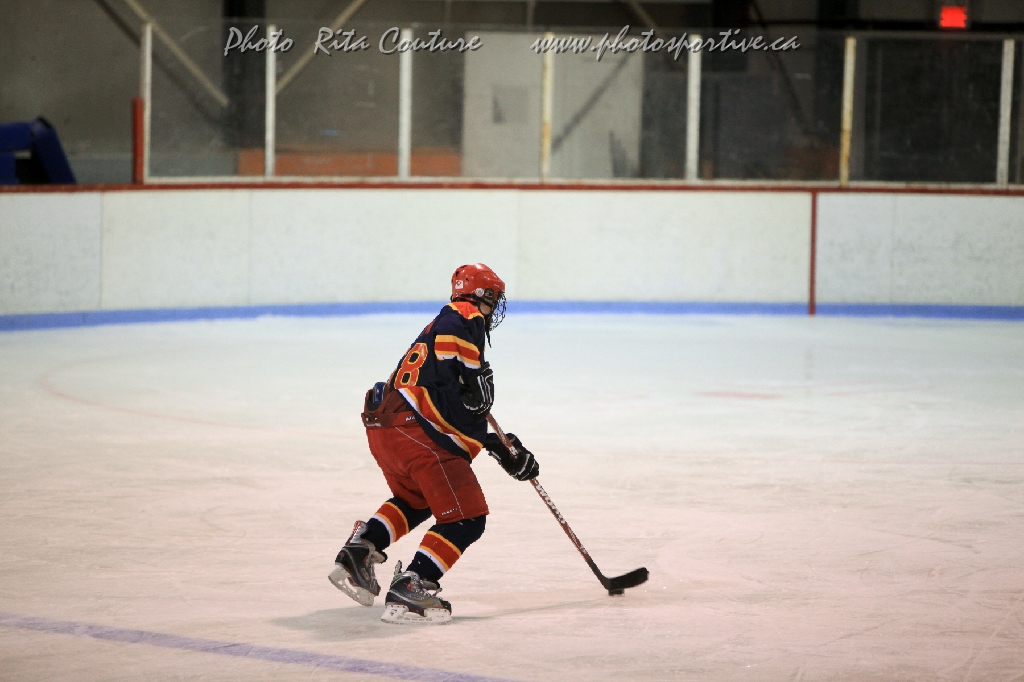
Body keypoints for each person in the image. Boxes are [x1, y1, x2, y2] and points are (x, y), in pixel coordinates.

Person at [329, 263, 539, 625]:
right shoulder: (464, 316)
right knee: (467, 518)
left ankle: (361, 548)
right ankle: (413, 585)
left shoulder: (437, 329)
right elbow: (466, 392)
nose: (495, 307)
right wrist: (475, 384)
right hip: (415, 433)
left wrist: (494, 443)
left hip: (388, 430)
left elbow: (451, 405)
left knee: (417, 499)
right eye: (494, 298)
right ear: (481, 295)